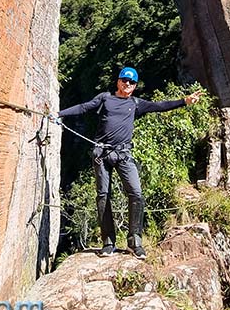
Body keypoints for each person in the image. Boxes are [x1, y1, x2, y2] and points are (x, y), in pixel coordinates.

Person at [49, 67, 202, 259]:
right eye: (124, 80)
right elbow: (84, 107)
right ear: (118, 82)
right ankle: (108, 242)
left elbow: (159, 106)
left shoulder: (136, 103)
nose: (127, 84)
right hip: (102, 154)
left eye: (131, 82)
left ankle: (134, 241)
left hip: (123, 155)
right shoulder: (105, 98)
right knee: (103, 196)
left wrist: (184, 101)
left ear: (135, 86)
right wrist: (59, 114)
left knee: (136, 193)